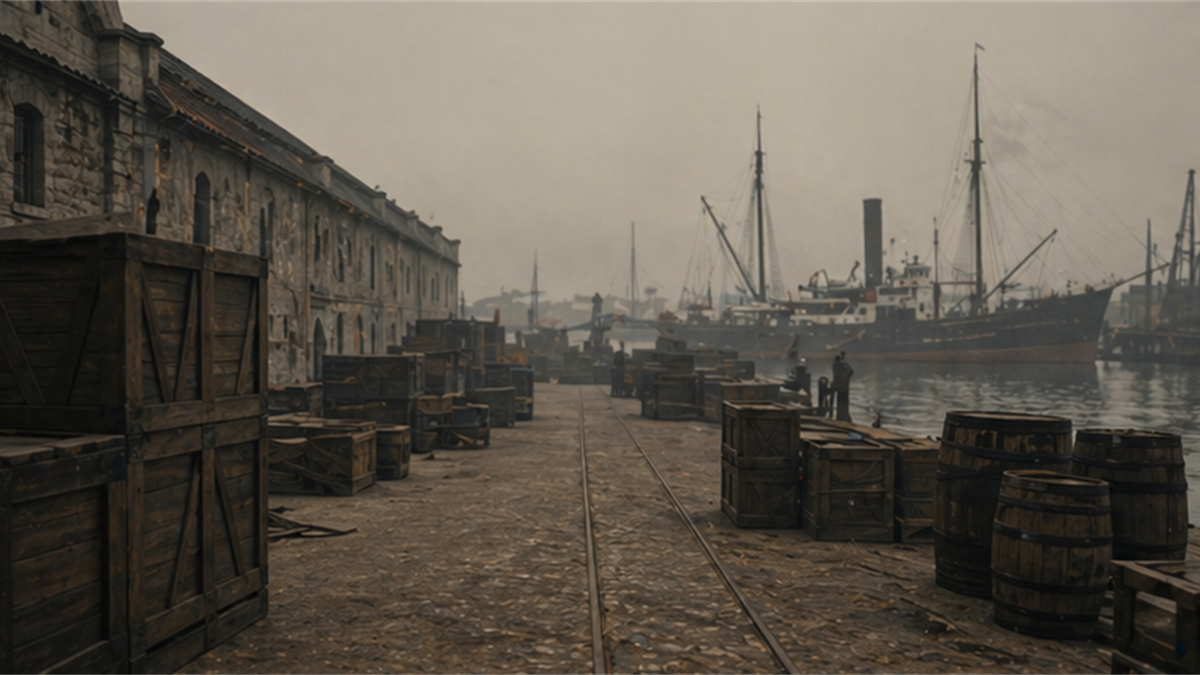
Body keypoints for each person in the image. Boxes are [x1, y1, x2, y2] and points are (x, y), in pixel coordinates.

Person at [831, 351, 854, 422]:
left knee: (840, 402)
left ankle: (840, 416)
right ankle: (843, 417)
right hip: (843, 387)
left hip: (838, 386)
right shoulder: (842, 365)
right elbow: (851, 371)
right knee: (843, 403)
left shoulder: (835, 365)